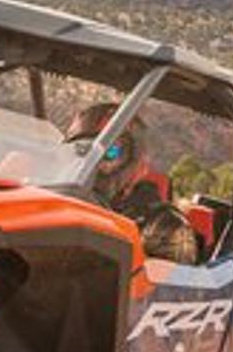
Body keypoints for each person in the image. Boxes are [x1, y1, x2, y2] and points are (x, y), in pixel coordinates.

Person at [64, 102, 201, 263]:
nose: (92, 162)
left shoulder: (165, 227)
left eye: (110, 153)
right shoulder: (57, 199)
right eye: (81, 149)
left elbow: (162, 286)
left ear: (138, 161)